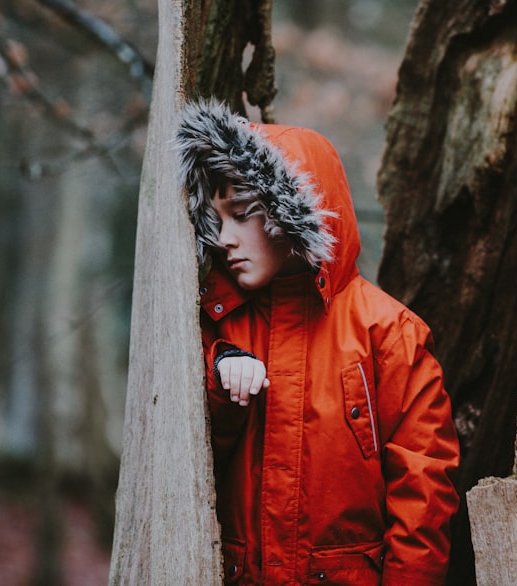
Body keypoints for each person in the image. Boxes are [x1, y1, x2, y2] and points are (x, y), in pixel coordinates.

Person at [174, 99, 460, 586]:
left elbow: (424, 492)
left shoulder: (390, 335)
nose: (224, 238)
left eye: (242, 213)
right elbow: (184, 461)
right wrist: (221, 381)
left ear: (293, 212)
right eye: (216, 218)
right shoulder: (214, 325)